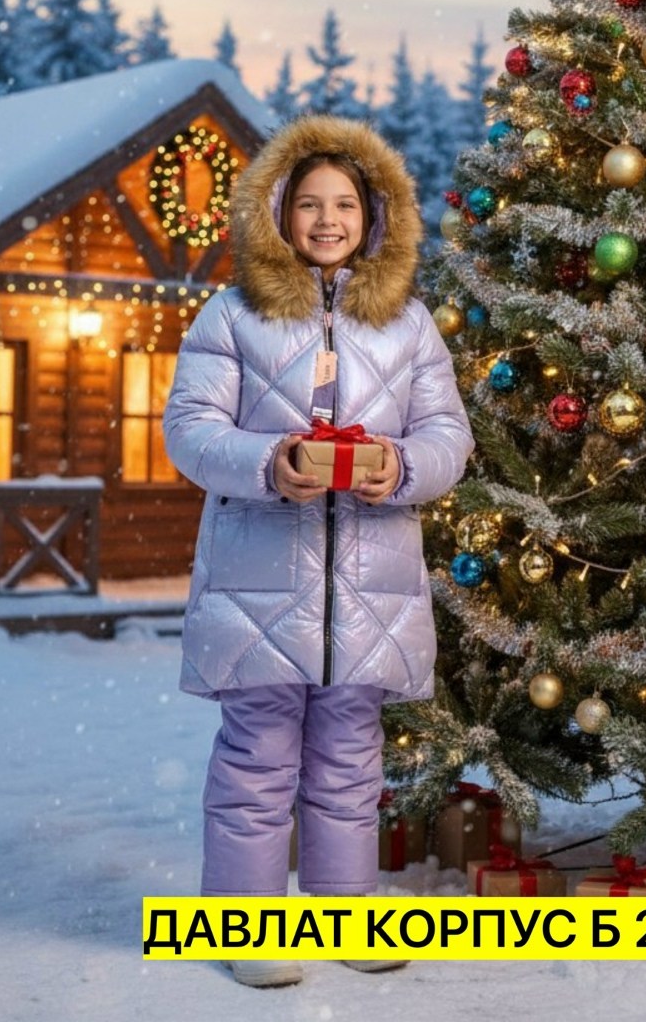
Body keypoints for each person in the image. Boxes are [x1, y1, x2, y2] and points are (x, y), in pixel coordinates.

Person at [163, 114, 474, 987]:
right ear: (276, 212)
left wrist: (400, 465)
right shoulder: (232, 315)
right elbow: (188, 433)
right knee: (258, 758)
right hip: (260, 584)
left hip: (371, 585)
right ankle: (246, 933)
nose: (327, 220)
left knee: (348, 758)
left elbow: (450, 436)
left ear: (376, 216)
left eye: (345, 203)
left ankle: (345, 916)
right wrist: (271, 462)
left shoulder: (408, 325)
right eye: (308, 203)